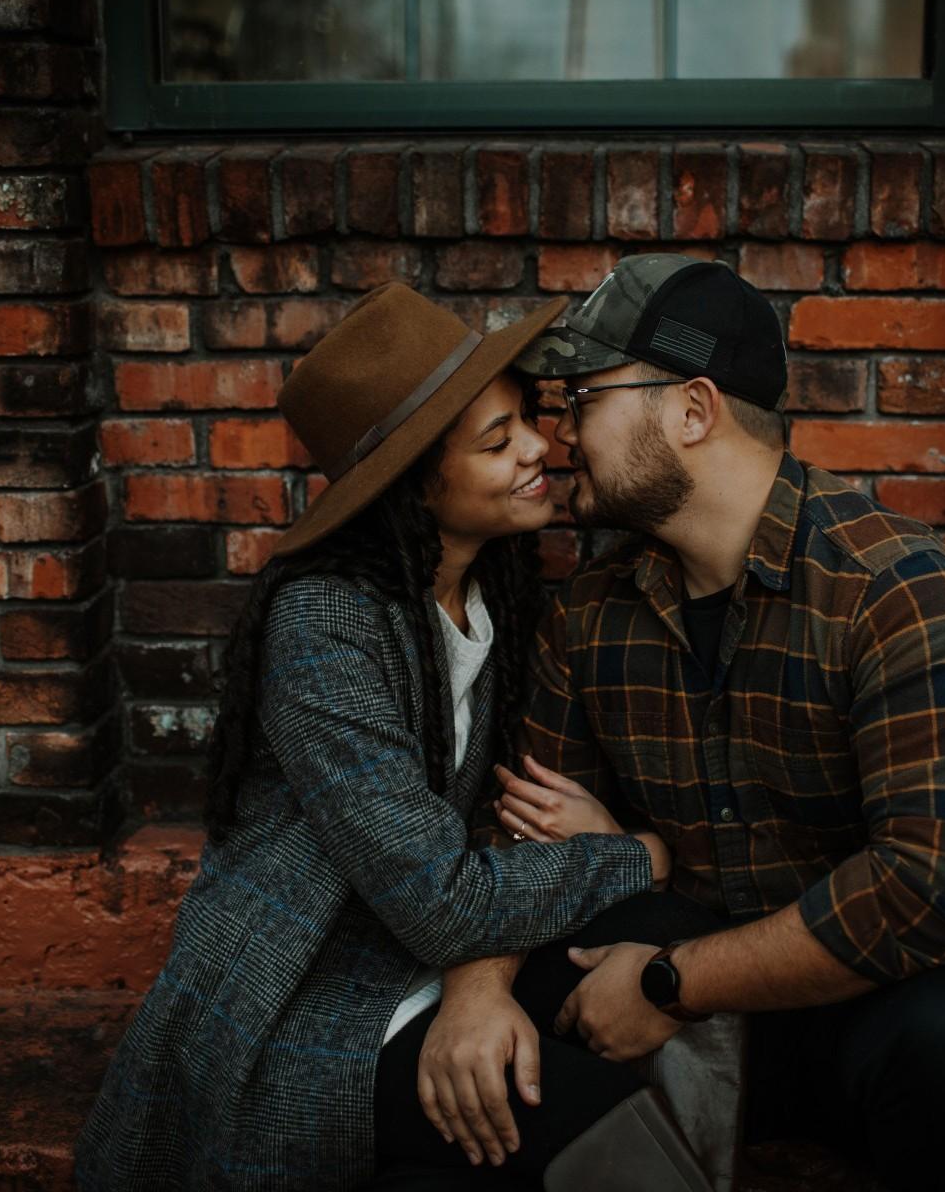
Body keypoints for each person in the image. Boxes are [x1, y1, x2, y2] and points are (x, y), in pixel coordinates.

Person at [416, 255, 945, 1192]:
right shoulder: (594, 608)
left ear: (691, 410)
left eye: (582, 398)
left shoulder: (898, 591)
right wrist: (474, 998)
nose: (560, 435)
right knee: (509, 1024)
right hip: (682, 1004)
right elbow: (520, 831)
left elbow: (934, 889)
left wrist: (670, 981)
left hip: (857, 1004)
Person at [74, 284, 711, 1192]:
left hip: (434, 955)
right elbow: (441, 899)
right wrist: (634, 853)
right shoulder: (325, 624)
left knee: (670, 941)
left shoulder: (498, 592)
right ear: (417, 484)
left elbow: (497, 833)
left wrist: (482, 980)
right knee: (599, 1132)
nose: (541, 448)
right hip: (310, 1000)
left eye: (526, 419)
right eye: (498, 442)